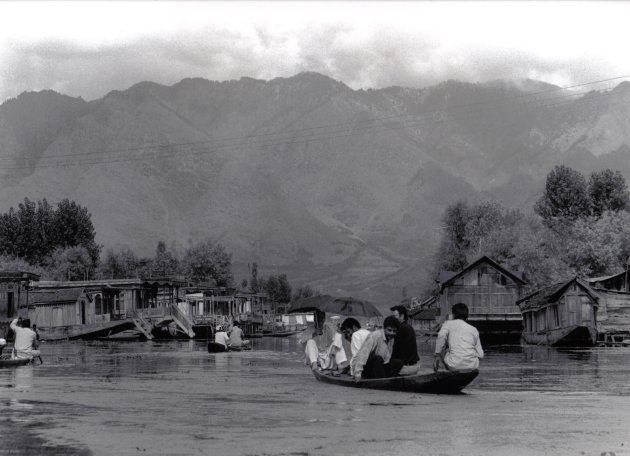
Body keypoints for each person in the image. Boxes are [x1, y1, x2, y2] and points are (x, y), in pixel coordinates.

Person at [433, 303, 484, 372]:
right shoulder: (474, 329)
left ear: (453, 315)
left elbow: (441, 337)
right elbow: (481, 355)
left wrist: (437, 355)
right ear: (467, 316)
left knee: (442, 349)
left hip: (453, 365)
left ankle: (450, 371)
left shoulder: (447, 324)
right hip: (472, 366)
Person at [351, 315, 403, 380]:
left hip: (379, 368)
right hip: (367, 368)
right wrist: (357, 374)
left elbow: (387, 360)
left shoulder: (391, 339)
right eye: (389, 330)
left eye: (394, 331)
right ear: (384, 328)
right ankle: (382, 381)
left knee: (398, 362)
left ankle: (384, 378)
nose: (392, 333)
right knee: (378, 358)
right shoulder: (375, 336)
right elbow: (362, 355)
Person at [390, 305, 420, 374]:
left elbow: (395, 350)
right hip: (414, 365)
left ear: (402, 316)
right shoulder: (409, 327)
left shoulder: (401, 328)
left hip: (406, 367)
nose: (393, 319)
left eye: (395, 316)